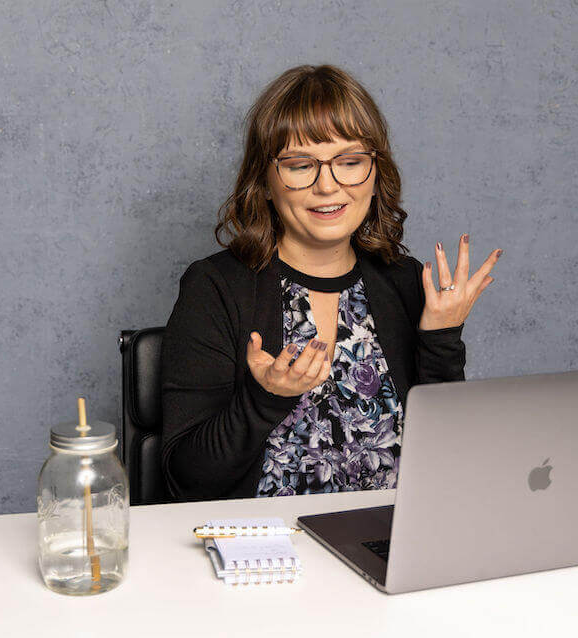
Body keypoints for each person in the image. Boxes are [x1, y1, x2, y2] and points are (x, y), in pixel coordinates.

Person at [159, 64, 503, 501]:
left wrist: (441, 340)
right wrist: (263, 400)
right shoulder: (215, 287)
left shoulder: (403, 282)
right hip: (266, 553)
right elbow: (184, 480)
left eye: (350, 162)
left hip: (388, 543)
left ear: (375, 175)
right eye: (301, 165)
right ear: (264, 182)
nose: (328, 186)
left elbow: (448, 463)